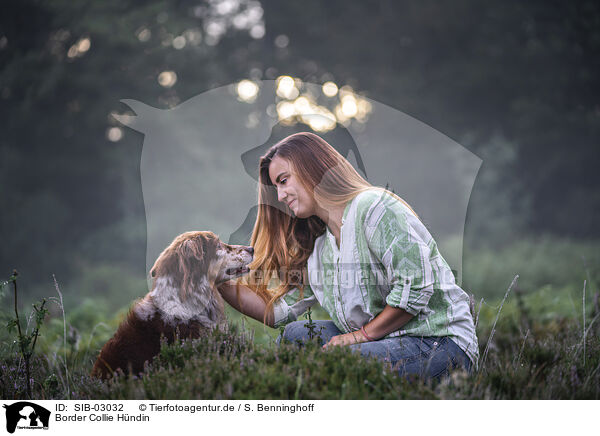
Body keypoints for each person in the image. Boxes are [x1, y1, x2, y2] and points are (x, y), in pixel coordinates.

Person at [217, 132, 478, 379]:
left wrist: (359, 336)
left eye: (284, 181)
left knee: (338, 361)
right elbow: (277, 313)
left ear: (312, 168)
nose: (281, 195)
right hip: (386, 340)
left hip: (439, 342)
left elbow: (417, 286)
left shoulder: (374, 206)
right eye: (276, 188)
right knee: (296, 334)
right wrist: (213, 276)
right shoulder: (320, 247)